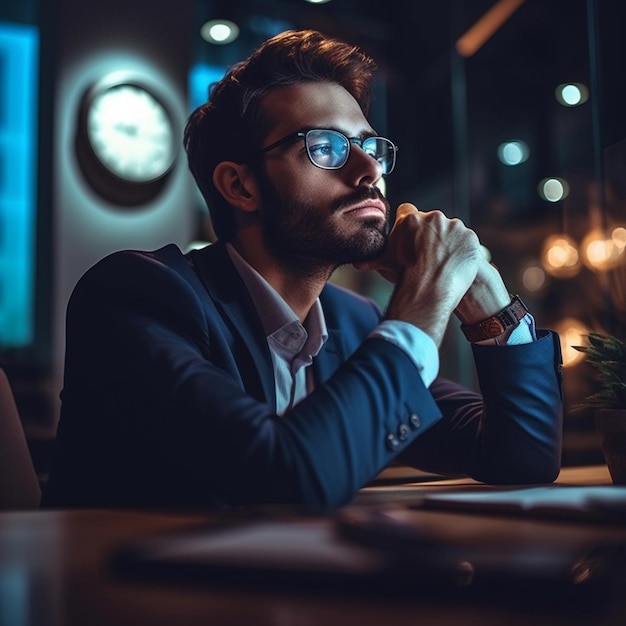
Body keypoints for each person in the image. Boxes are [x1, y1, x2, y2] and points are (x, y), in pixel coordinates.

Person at [42, 30, 563, 511]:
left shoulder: (351, 322)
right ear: (240, 187)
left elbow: (521, 457)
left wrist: (486, 299)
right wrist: (424, 296)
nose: (369, 171)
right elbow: (284, 478)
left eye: (368, 146)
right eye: (326, 147)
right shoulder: (140, 294)